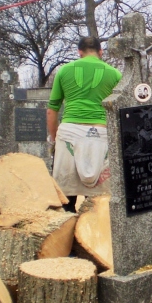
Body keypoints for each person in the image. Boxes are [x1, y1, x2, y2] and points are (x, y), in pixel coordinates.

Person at [47, 36, 122, 213]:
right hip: (101, 134)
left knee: (66, 193)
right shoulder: (115, 74)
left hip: (69, 133)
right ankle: (94, 229)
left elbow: (52, 110)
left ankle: (66, 231)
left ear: (79, 52)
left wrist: (53, 139)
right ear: (100, 52)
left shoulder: (64, 71)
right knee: (98, 196)